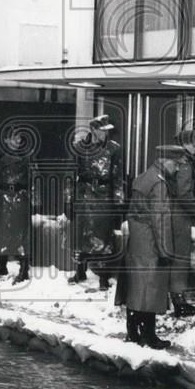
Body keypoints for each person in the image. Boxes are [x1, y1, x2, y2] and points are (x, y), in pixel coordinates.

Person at [116, 148, 181, 349]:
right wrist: (165, 251)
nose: (177, 168)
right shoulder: (159, 184)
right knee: (150, 288)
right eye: (176, 163)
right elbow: (160, 222)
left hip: (137, 239)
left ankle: (133, 331)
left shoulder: (144, 177)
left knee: (136, 287)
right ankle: (149, 336)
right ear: (165, 161)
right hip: (151, 242)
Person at [69, 114, 124, 288]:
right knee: (80, 236)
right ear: (93, 130)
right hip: (84, 196)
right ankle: (80, 271)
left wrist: (118, 202)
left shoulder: (113, 149)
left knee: (103, 237)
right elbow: (70, 176)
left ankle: (103, 277)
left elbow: (118, 177)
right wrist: (68, 200)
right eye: (101, 131)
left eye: (107, 131)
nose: (105, 134)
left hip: (104, 196)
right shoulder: (79, 148)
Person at [0, 128, 32, 284]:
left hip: (20, 199)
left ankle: (24, 270)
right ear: (6, 140)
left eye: (19, 138)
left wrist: (35, 202)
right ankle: (1, 267)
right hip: (1, 199)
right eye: (14, 138)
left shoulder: (27, 156)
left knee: (21, 235)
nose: (18, 141)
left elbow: (34, 179)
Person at [167, 131, 195, 316]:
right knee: (180, 259)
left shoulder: (173, 160)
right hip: (179, 216)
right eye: (194, 144)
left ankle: (175, 299)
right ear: (185, 145)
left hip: (169, 214)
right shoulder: (185, 164)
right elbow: (184, 194)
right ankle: (179, 302)